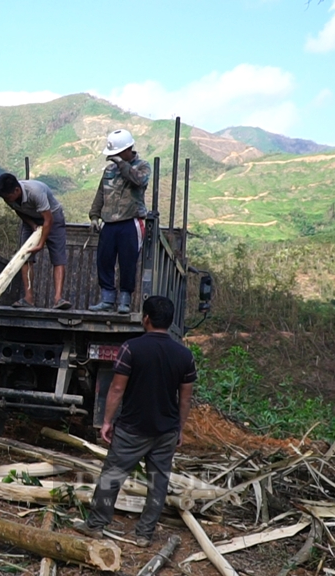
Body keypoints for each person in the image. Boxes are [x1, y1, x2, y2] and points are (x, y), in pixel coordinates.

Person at [73, 296, 196, 547]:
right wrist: (179, 428)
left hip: (132, 429)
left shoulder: (131, 348)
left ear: (146, 319)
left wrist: (106, 421)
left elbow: (117, 389)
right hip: (166, 431)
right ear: (170, 322)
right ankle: (144, 534)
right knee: (157, 483)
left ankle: (96, 525)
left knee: (112, 477)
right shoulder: (184, 355)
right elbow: (185, 399)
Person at [88, 129, 151, 314]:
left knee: (128, 262)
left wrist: (122, 164)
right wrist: (94, 215)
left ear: (127, 149)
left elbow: (138, 181)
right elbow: (101, 192)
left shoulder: (142, 166)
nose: (113, 156)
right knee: (104, 260)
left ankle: (124, 301)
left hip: (131, 221)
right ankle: (107, 300)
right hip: (109, 222)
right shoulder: (109, 170)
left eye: (116, 153)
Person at [0, 173, 71, 310]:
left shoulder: (35, 192)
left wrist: (40, 243)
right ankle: (28, 298)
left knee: (58, 258)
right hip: (30, 218)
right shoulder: (8, 197)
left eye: (8, 196)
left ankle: (58, 299)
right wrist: (32, 224)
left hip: (52, 216)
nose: (6, 199)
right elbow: (18, 211)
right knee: (25, 256)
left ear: (16, 190)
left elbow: (48, 220)